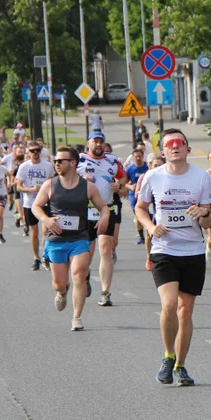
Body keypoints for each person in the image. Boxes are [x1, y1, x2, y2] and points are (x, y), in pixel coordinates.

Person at [135, 129, 211, 387]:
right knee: (169, 305)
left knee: (185, 310)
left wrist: (203, 212)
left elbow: (208, 219)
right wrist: (149, 227)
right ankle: (168, 355)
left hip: (192, 250)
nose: (175, 147)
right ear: (163, 152)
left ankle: (180, 365)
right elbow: (140, 208)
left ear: (188, 149)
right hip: (164, 249)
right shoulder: (153, 177)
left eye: (180, 143)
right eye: (170, 144)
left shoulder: (201, 177)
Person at [32, 146, 110, 331]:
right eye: (55, 161)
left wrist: (105, 217)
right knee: (59, 283)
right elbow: (36, 206)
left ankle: (77, 317)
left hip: (79, 238)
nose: (57, 164)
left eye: (61, 161)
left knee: (79, 274)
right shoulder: (50, 185)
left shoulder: (88, 187)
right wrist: (46, 219)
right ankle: (61, 292)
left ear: (73, 163)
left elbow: (103, 207)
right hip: (56, 239)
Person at [78, 130, 127, 307]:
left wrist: (118, 185)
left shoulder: (112, 161)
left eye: (101, 142)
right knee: (87, 253)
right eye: (95, 141)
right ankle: (86, 274)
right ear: (88, 143)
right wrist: (80, 179)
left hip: (106, 209)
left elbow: (123, 179)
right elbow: (64, 178)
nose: (98, 145)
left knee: (106, 250)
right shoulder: (79, 160)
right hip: (85, 212)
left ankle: (105, 292)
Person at [16, 141, 56, 270]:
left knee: (46, 230)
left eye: (37, 150)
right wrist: (31, 189)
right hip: (30, 203)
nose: (35, 153)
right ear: (28, 152)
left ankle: (45, 256)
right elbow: (19, 187)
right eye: (32, 151)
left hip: (46, 202)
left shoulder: (48, 165)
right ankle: (36, 258)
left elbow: (53, 183)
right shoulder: (24, 167)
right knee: (34, 232)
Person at [124, 147, 150, 246]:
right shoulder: (130, 169)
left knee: (148, 214)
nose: (138, 158)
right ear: (133, 157)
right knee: (138, 215)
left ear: (143, 157)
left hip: (146, 194)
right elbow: (124, 182)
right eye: (136, 157)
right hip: (134, 195)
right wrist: (130, 186)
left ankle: (149, 231)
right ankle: (141, 236)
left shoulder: (147, 168)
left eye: (139, 156)